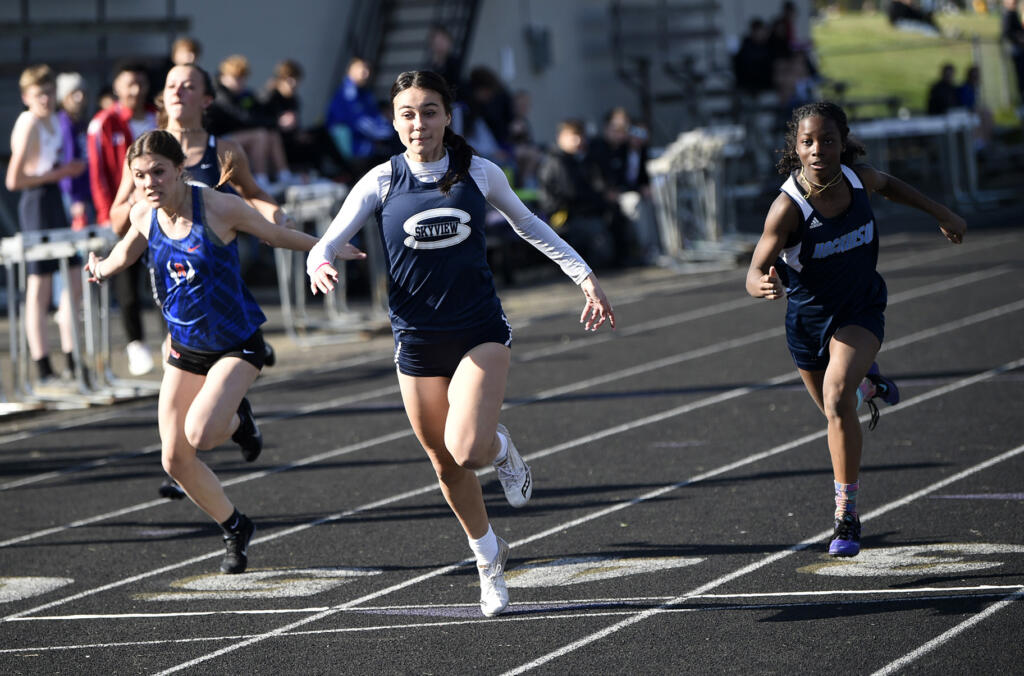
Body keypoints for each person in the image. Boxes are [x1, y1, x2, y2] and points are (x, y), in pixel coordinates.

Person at [307, 71, 615, 616]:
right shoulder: (380, 181)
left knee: (468, 449)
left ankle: (499, 448)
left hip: (479, 332)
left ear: (448, 116)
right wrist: (322, 262)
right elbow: (329, 238)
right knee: (445, 464)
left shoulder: (479, 171)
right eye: (407, 113)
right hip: (417, 341)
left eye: (429, 111)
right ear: (394, 121)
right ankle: (489, 559)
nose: (418, 122)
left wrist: (583, 274)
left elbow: (529, 224)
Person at [87, 130, 363, 574]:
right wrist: (99, 268)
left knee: (201, 435)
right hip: (186, 348)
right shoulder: (143, 215)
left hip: (237, 343)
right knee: (174, 458)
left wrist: (325, 248)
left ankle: (238, 417)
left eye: (158, 172)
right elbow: (124, 253)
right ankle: (235, 526)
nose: (149, 183)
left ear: (180, 169)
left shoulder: (217, 207)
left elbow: (274, 235)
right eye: (139, 176)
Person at [745, 101, 966, 558]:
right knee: (836, 410)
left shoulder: (857, 179)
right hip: (807, 324)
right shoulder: (788, 207)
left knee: (835, 395)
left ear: (843, 143)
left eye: (827, 140)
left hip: (861, 311)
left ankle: (846, 515)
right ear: (796, 148)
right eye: (808, 142)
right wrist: (760, 283)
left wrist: (940, 212)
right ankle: (869, 387)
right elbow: (753, 270)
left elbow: (893, 186)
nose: (818, 149)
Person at [107, 63, 296, 499]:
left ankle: (214, 434)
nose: (177, 92)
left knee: (206, 401)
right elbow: (118, 214)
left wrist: (274, 220)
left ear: (205, 100)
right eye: (171, 86)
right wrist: (143, 203)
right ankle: (184, 462)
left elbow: (255, 197)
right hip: (171, 284)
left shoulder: (224, 150)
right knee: (180, 389)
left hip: (219, 285)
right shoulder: (145, 156)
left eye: (188, 86)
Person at [5, 64, 88, 393]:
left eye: (51, 93)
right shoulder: (28, 122)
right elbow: (14, 180)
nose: (47, 99)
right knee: (38, 288)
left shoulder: (56, 119)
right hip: (36, 201)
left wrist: (65, 173)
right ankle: (42, 365)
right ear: (27, 97)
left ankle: (72, 358)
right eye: (40, 94)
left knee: (72, 279)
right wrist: (60, 172)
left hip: (55, 199)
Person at [87, 60, 157, 376]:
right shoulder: (103, 123)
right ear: (116, 87)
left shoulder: (158, 118)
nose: (135, 89)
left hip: (160, 211)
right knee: (126, 278)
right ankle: (135, 344)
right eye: (129, 83)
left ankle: (175, 340)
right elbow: (98, 174)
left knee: (166, 274)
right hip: (124, 213)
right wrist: (108, 213)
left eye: (140, 82)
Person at [537, 119, 616, 268]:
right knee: (601, 250)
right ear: (560, 137)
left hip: (582, 214)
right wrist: (600, 199)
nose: (578, 141)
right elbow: (573, 193)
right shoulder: (558, 162)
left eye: (581, 136)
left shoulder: (580, 159)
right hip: (567, 219)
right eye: (573, 136)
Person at [205, 54, 291, 186]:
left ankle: (285, 176)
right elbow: (243, 117)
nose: (240, 81)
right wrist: (278, 122)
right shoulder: (219, 94)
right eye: (236, 77)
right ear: (224, 76)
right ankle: (261, 181)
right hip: (216, 142)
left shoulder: (245, 94)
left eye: (243, 77)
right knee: (260, 135)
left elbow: (258, 112)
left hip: (236, 137)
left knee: (271, 134)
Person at [325, 57, 397, 178]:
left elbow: (376, 117)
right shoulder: (348, 94)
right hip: (353, 146)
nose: (366, 73)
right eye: (361, 68)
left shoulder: (365, 93)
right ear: (350, 70)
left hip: (368, 143)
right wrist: (390, 131)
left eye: (367, 69)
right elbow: (361, 123)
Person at [55, 72, 94, 230]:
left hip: (86, 190)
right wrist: (76, 198)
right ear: (63, 98)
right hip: (73, 194)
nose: (79, 98)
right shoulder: (64, 123)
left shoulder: (80, 122)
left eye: (82, 93)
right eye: (73, 94)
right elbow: (68, 164)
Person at [1002, 0, 1024, 107]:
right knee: (1021, 77)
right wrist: (1019, 39)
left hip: (1020, 50)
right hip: (1017, 51)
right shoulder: (1008, 14)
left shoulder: (1014, 14)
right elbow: (1006, 33)